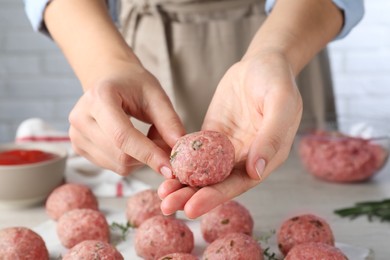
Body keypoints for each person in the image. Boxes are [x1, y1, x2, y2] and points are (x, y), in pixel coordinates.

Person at [24, 0, 364, 218]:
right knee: (156, 198)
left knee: (312, 197)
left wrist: (275, 53)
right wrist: (105, 66)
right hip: (143, 55)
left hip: (289, 38)